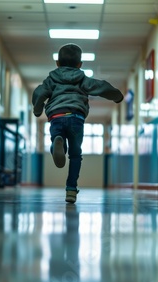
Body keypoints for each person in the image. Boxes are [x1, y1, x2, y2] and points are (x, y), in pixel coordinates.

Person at [32, 43, 124, 203]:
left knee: (57, 137)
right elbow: (100, 86)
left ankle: (57, 142)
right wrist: (117, 96)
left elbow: (39, 92)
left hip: (56, 116)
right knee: (75, 155)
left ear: (57, 63)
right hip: (76, 117)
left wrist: (38, 109)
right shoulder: (82, 79)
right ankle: (71, 190)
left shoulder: (51, 79)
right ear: (80, 64)